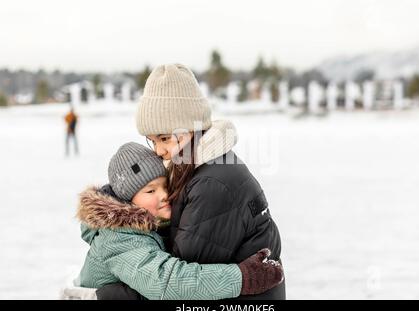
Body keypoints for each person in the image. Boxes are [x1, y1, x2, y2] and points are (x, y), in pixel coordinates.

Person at [98, 63, 285, 299]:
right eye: (152, 141)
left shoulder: (211, 184)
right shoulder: (197, 169)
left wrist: (109, 294)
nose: (158, 151)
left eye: (164, 138)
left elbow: (184, 285)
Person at [76, 142, 283, 299]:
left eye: (165, 185)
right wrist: (242, 278)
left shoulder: (149, 226)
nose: (164, 195)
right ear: (128, 200)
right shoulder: (119, 238)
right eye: (150, 190)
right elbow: (167, 281)